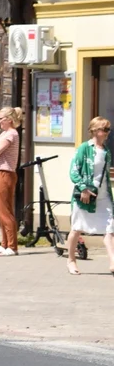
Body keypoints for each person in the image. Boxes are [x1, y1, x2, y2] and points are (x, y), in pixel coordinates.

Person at [66, 117, 114, 276]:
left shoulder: (106, 151)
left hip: (103, 196)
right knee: (77, 229)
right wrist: (83, 189)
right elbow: (73, 171)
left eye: (108, 130)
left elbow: (105, 176)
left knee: (110, 228)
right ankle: (71, 260)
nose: (107, 133)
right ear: (94, 130)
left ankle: (113, 261)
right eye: (104, 129)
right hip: (85, 196)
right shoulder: (84, 148)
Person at [0, 106, 23, 257]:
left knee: (5, 210)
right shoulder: (4, 133)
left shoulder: (11, 134)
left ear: (9, 119)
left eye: (2, 118)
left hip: (5, 173)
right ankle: (4, 243)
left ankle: (12, 246)